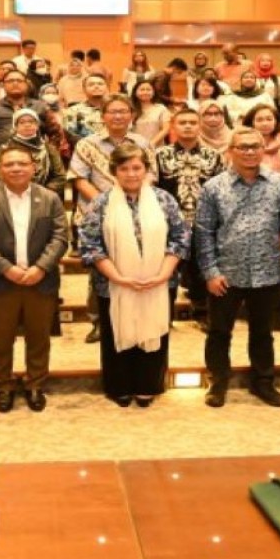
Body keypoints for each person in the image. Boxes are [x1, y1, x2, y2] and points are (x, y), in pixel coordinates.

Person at [79, 143, 189, 408]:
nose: (131, 174)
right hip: (113, 283)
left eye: (137, 167)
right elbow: (90, 244)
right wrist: (118, 277)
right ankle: (119, 386)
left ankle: (148, 385)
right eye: (124, 168)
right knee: (117, 332)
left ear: (147, 170)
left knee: (154, 332)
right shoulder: (101, 203)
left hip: (159, 281)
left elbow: (181, 238)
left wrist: (163, 273)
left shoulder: (164, 199)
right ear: (114, 171)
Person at [195, 127, 280, 408]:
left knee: (263, 333)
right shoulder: (214, 187)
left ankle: (263, 382)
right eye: (242, 147)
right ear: (231, 151)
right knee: (219, 333)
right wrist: (211, 271)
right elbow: (203, 232)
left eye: (254, 146)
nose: (249, 152)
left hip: (268, 272)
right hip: (226, 274)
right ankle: (218, 382)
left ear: (263, 150)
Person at [0, 145, 69, 413]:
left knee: (39, 337)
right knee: (1, 339)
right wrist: (6, 268)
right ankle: (3, 386)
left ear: (33, 167)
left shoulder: (50, 198)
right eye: (9, 164)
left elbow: (60, 237)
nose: (16, 168)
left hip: (41, 280)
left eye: (21, 163)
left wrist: (41, 267)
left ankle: (35, 384)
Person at [70, 95, 155, 344]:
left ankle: (137, 318)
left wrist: (131, 203)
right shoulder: (87, 144)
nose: (118, 116)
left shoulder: (142, 143)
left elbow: (150, 175)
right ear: (103, 116)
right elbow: (79, 178)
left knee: (135, 264)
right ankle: (98, 321)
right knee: (100, 270)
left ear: (131, 115)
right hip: (97, 214)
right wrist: (107, 204)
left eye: (123, 111)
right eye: (112, 112)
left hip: (138, 213)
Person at [155, 109, 226, 327]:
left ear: (200, 126)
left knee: (201, 267)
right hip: (168, 224)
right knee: (167, 271)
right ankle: (162, 318)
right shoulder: (159, 155)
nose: (187, 126)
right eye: (182, 122)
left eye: (192, 122)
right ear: (173, 126)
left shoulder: (214, 156)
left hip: (203, 222)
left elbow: (221, 192)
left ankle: (203, 312)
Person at [0, 69, 51, 148]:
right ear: (3, 85)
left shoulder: (41, 106)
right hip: (0, 155)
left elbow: (56, 135)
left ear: (27, 84)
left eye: (19, 80)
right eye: (10, 81)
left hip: (37, 155)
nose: (15, 83)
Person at [9, 108, 65, 196]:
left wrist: (43, 193)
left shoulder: (49, 149)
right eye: (22, 122)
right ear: (15, 126)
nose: (27, 125)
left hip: (44, 196)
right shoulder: (6, 149)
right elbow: (1, 176)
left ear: (37, 125)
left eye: (31, 121)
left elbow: (60, 176)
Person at [243, 103, 280, 180]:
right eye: (259, 120)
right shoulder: (244, 145)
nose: (265, 124)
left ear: (275, 122)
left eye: (269, 119)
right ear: (252, 123)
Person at [130, 80, 171, 147]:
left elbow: (165, 129)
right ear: (135, 92)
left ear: (154, 92)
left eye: (148, 90)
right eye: (142, 90)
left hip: (156, 147)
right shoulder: (130, 109)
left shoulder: (160, 108)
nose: (145, 92)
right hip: (135, 148)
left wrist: (152, 143)